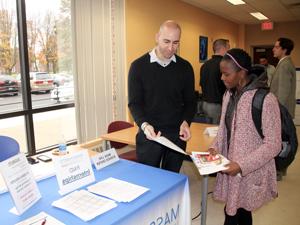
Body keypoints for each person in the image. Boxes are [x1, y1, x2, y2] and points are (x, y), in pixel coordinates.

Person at [208, 48, 281, 225]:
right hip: (230, 166)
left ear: (242, 72)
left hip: (249, 171)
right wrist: (215, 147)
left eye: (226, 74)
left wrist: (241, 165)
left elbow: (274, 144)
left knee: (235, 214)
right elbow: (224, 130)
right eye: (221, 74)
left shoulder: (265, 99)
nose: (222, 78)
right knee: (238, 211)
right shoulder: (228, 95)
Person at [128, 20, 196, 173]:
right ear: (157, 37)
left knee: (171, 180)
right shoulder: (138, 66)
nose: (171, 48)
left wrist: (186, 122)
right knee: (149, 180)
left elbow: (190, 102)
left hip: (176, 136)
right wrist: (144, 125)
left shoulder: (185, 67)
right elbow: (134, 103)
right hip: (150, 135)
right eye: (166, 41)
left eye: (175, 43)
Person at [270, 37, 296, 180]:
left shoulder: (285, 65)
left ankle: (278, 171)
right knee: (281, 141)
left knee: (281, 142)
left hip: (281, 112)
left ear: (284, 49)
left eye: (276, 47)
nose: (273, 49)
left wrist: (276, 113)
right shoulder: (283, 63)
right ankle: (279, 170)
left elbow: (283, 93)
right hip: (281, 111)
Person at [200, 39, 229, 124]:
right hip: (217, 105)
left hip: (204, 104)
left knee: (207, 131)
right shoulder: (224, 65)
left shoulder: (205, 65)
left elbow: (202, 84)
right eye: (228, 48)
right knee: (216, 132)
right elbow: (226, 85)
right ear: (223, 48)